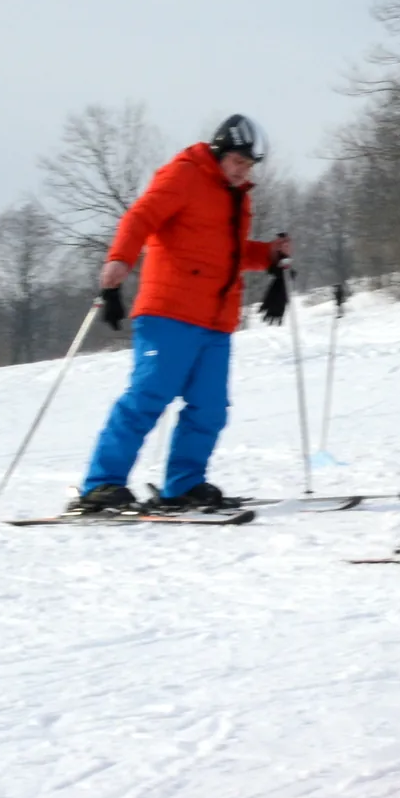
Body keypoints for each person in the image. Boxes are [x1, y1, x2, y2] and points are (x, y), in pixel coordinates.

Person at [69, 115, 289, 514]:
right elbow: (140, 217)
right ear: (220, 153)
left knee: (210, 408)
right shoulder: (184, 175)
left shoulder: (236, 196)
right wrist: (119, 261)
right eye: (238, 162)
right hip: (169, 313)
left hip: (215, 321)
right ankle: (101, 485)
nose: (243, 171)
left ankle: (183, 485)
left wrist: (268, 255)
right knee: (147, 399)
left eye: (249, 166)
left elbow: (228, 253)